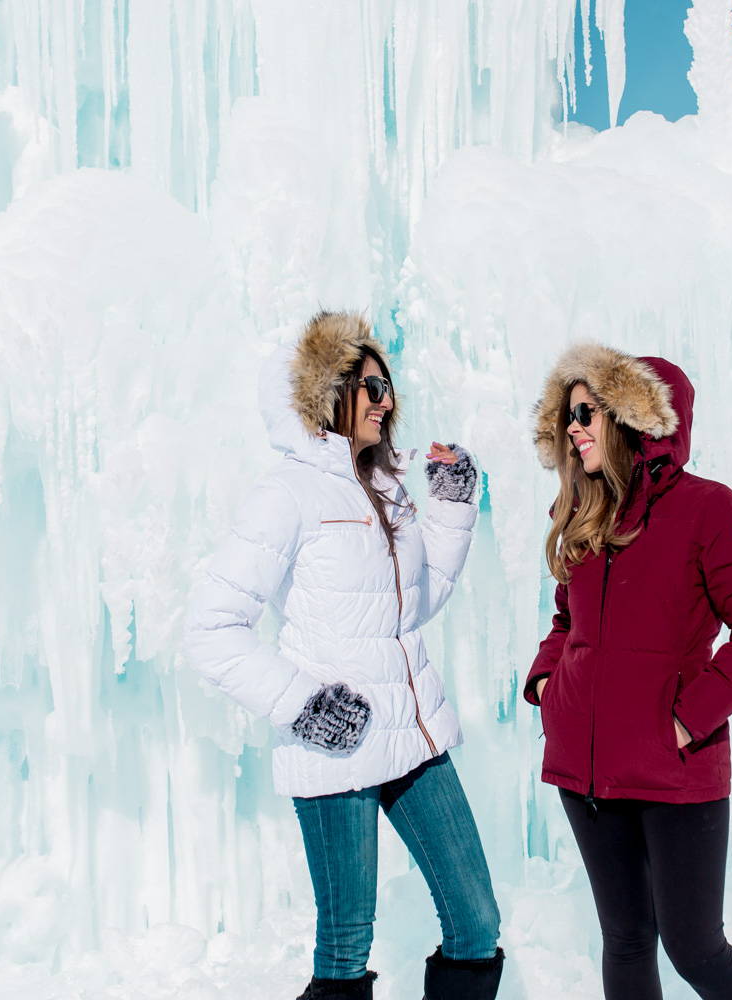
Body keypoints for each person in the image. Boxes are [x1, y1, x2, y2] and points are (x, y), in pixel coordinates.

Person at [185, 311, 505, 1000]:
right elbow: (211, 628)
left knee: (476, 924)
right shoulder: (287, 493)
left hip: (413, 735)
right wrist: (306, 707)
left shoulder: (386, 487)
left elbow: (408, 608)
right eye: (368, 385)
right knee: (344, 946)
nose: (386, 398)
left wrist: (450, 511)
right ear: (327, 395)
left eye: (387, 383)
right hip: (339, 747)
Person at [522, 343, 732, 1000]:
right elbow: (568, 621)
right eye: (569, 414)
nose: (574, 427)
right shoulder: (584, 515)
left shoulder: (709, 509)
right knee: (626, 940)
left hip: (678, 774)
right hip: (586, 771)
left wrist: (685, 720)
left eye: (588, 412)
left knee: (696, 947)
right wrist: (546, 683)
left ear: (631, 419)